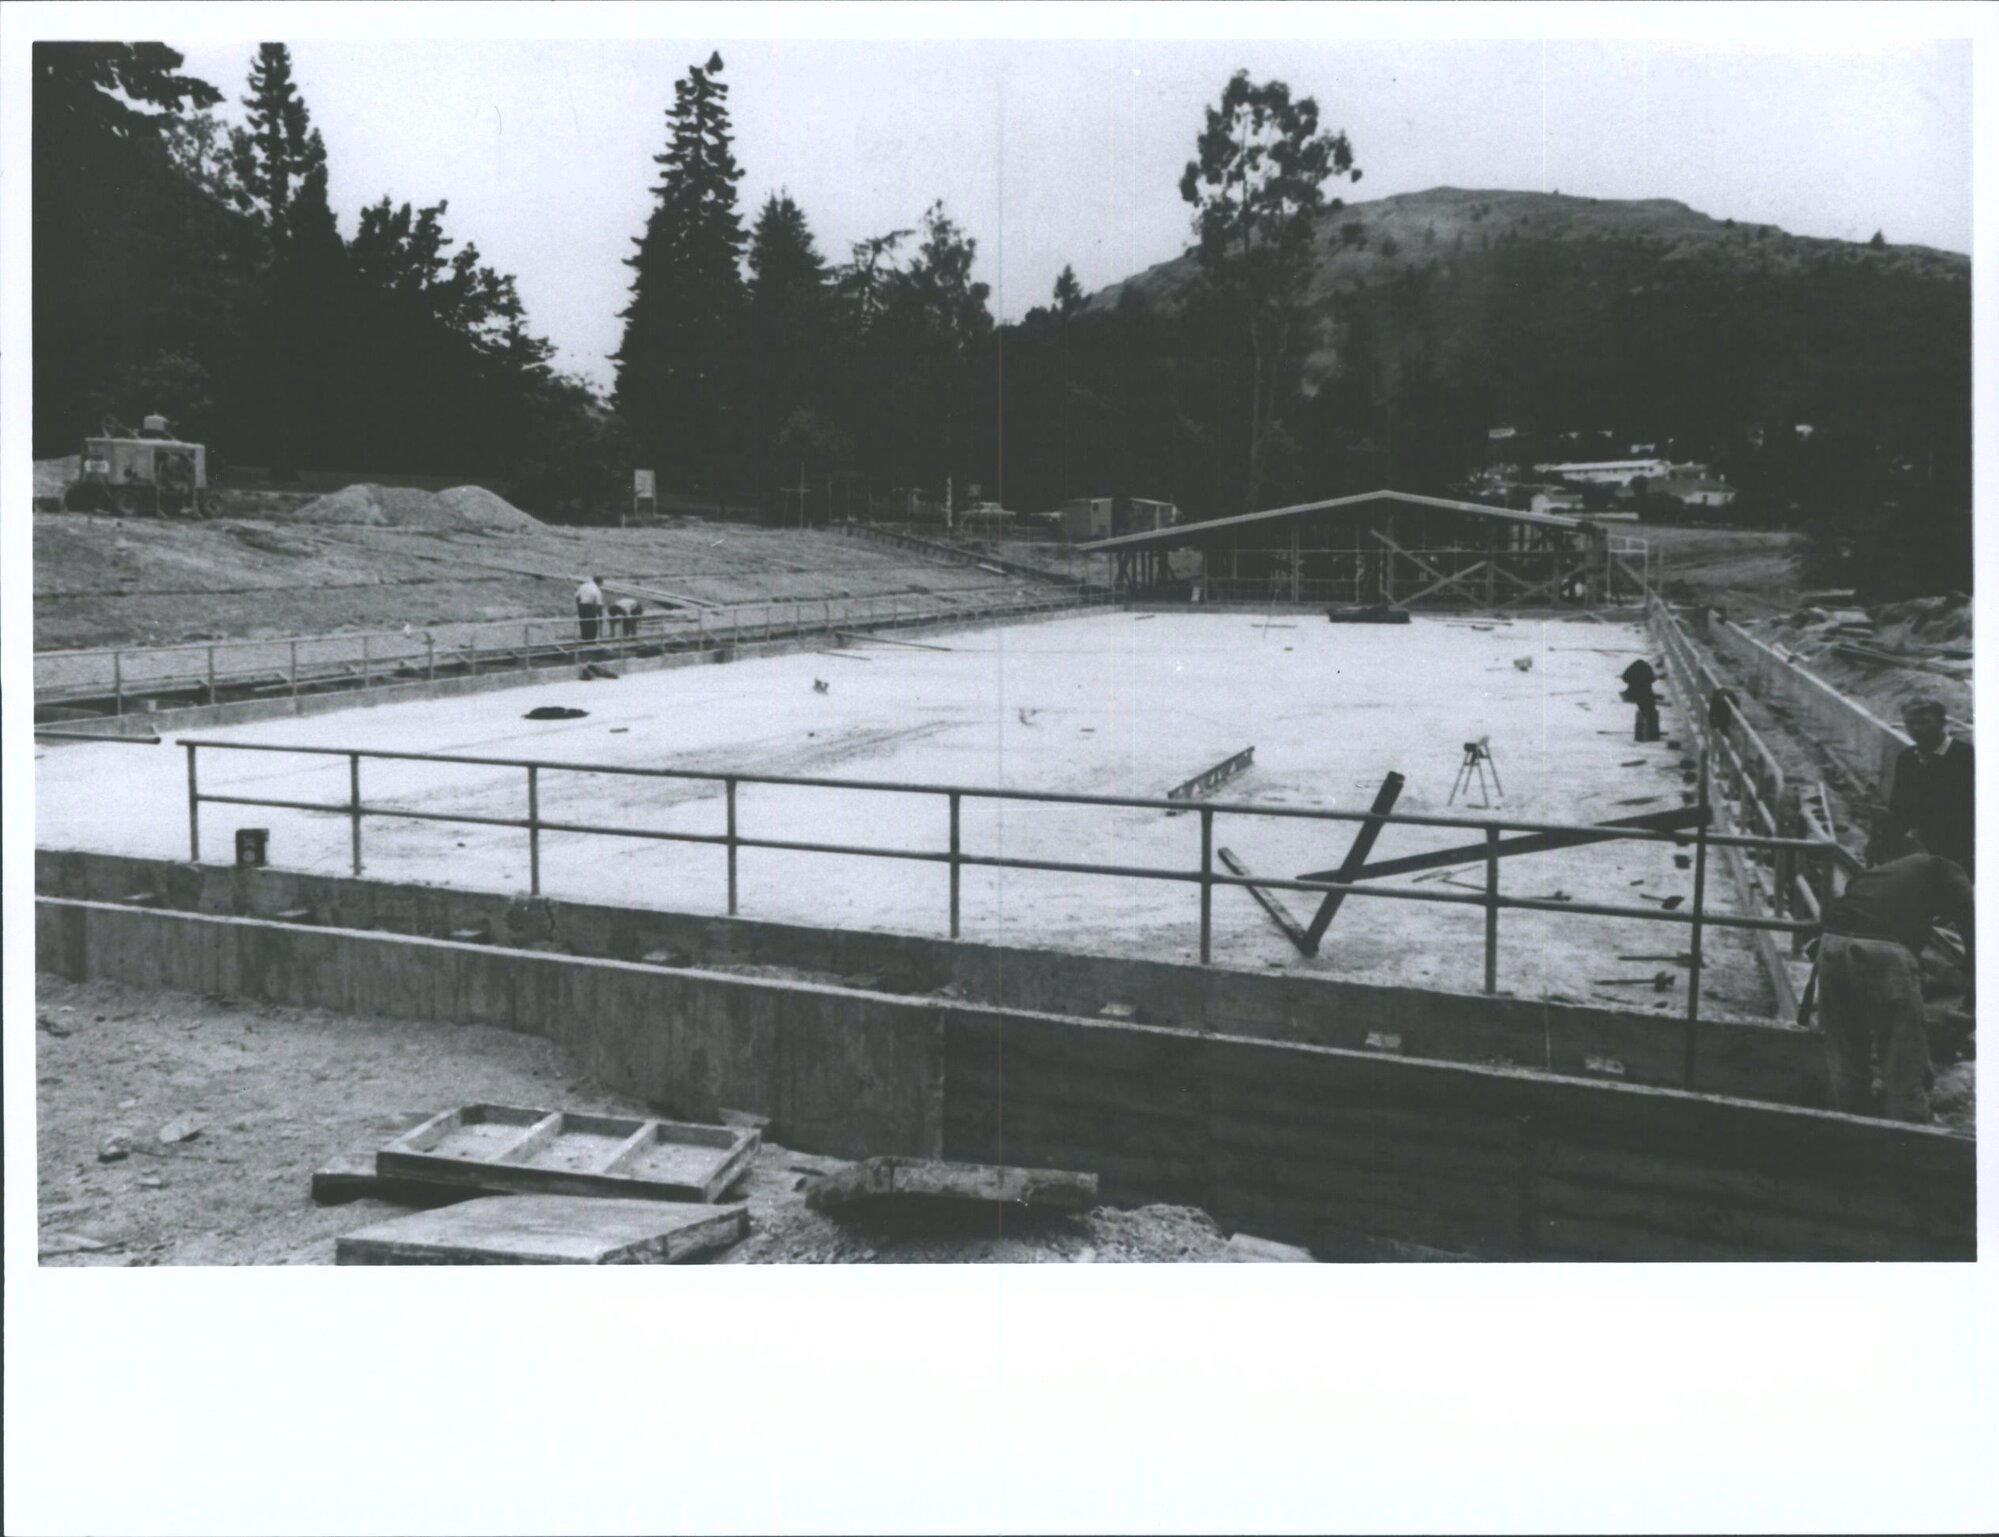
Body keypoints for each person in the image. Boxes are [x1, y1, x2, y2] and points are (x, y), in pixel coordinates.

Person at [1810, 851, 1974, 1122]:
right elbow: (1977, 934)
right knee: (1903, 1061)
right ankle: (1909, 1139)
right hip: (1882, 951)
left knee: (1847, 1057)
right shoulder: (1952, 870)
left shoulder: (1893, 871)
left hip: (1831, 942)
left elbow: (1854, 907)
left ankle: (1850, 1129)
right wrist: (1972, 1002)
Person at [1880, 697, 1974, 878]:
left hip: (1956, 854)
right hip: (1914, 853)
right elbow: (1898, 804)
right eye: (1910, 723)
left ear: (1942, 723)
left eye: (1923, 722)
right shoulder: (1907, 758)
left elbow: (1966, 813)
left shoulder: (1966, 757)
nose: (1915, 729)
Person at [1619, 658, 1662, 742]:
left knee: (1643, 709)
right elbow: (1653, 679)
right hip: (1646, 693)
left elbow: (1624, 677)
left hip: (1633, 693)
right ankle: (1652, 734)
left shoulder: (1633, 668)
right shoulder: (1647, 669)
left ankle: (1640, 732)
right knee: (1650, 709)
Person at [575, 574, 604, 642]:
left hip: (581, 606)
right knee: (592, 625)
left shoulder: (583, 585)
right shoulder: (597, 590)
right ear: (599, 582)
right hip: (590, 607)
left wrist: (579, 606)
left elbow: (577, 596)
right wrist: (600, 618)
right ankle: (591, 642)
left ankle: (584, 639)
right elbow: (599, 605)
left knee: (583, 624)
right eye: (601, 583)